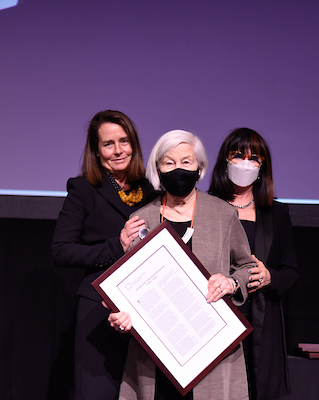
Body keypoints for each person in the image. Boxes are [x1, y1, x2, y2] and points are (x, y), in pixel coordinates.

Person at [109, 129, 255, 400]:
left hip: (210, 351)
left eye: (186, 162)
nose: (178, 169)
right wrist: (122, 316)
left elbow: (246, 267)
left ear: (200, 168)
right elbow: (128, 289)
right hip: (156, 357)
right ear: (158, 169)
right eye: (169, 162)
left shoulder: (223, 214)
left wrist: (231, 282)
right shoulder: (141, 219)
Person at [51, 110, 158, 400]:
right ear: (97, 152)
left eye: (124, 141)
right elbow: (61, 251)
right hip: (98, 311)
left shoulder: (151, 191)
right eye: (108, 144)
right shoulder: (84, 189)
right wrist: (116, 246)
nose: (118, 150)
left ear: (134, 144)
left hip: (145, 310)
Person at [208, 128, 300, 400]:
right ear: (225, 161)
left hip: (261, 318)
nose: (246, 163)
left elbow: (291, 271)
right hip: (216, 314)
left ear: (263, 167)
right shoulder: (207, 205)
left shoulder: (276, 213)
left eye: (254, 158)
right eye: (238, 156)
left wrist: (270, 277)